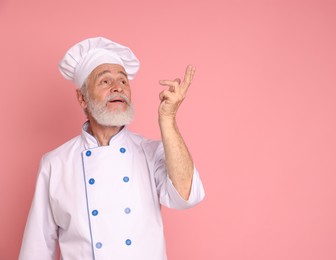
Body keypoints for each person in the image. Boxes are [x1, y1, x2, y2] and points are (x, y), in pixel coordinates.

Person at [19, 37, 205, 260]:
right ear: (82, 98)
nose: (118, 88)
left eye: (123, 81)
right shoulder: (55, 163)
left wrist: (168, 118)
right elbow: (36, 249)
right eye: (105, 81)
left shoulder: (149, 152)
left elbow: (186, 196)